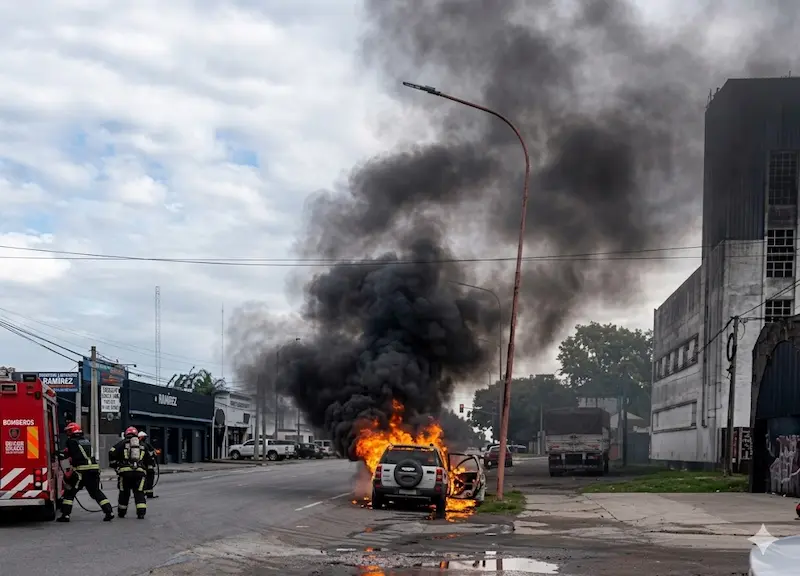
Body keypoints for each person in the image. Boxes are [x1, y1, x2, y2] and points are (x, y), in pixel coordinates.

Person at [56, 422, 114, 522]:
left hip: (81, 471)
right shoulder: (86, 440)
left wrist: (58, 454)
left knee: (70, 492)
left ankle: (65, 515)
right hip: (94, 470)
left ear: (73, 431)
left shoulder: (71, 441)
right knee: (96, 492)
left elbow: (69, 455)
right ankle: (109, 512)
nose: (68, 433)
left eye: (69, 431)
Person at [108, 426, 147, 519]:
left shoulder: (121, 443)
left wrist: (115, 465)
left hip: (125, 473)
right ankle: (141, 513)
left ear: (126, 434)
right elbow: (149, 459)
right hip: (139, 473)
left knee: (124, 492)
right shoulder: (142, 445)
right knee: (139, 492)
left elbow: (111, 452)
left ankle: (122, 512)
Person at [138, 431, 158, 499]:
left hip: (141, 466)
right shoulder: (146, 445)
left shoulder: (136, 445)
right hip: (149, 465)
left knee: (143, 479)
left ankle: (143, 493)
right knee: (149, 479)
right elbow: (153, 454)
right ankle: (149, 494)